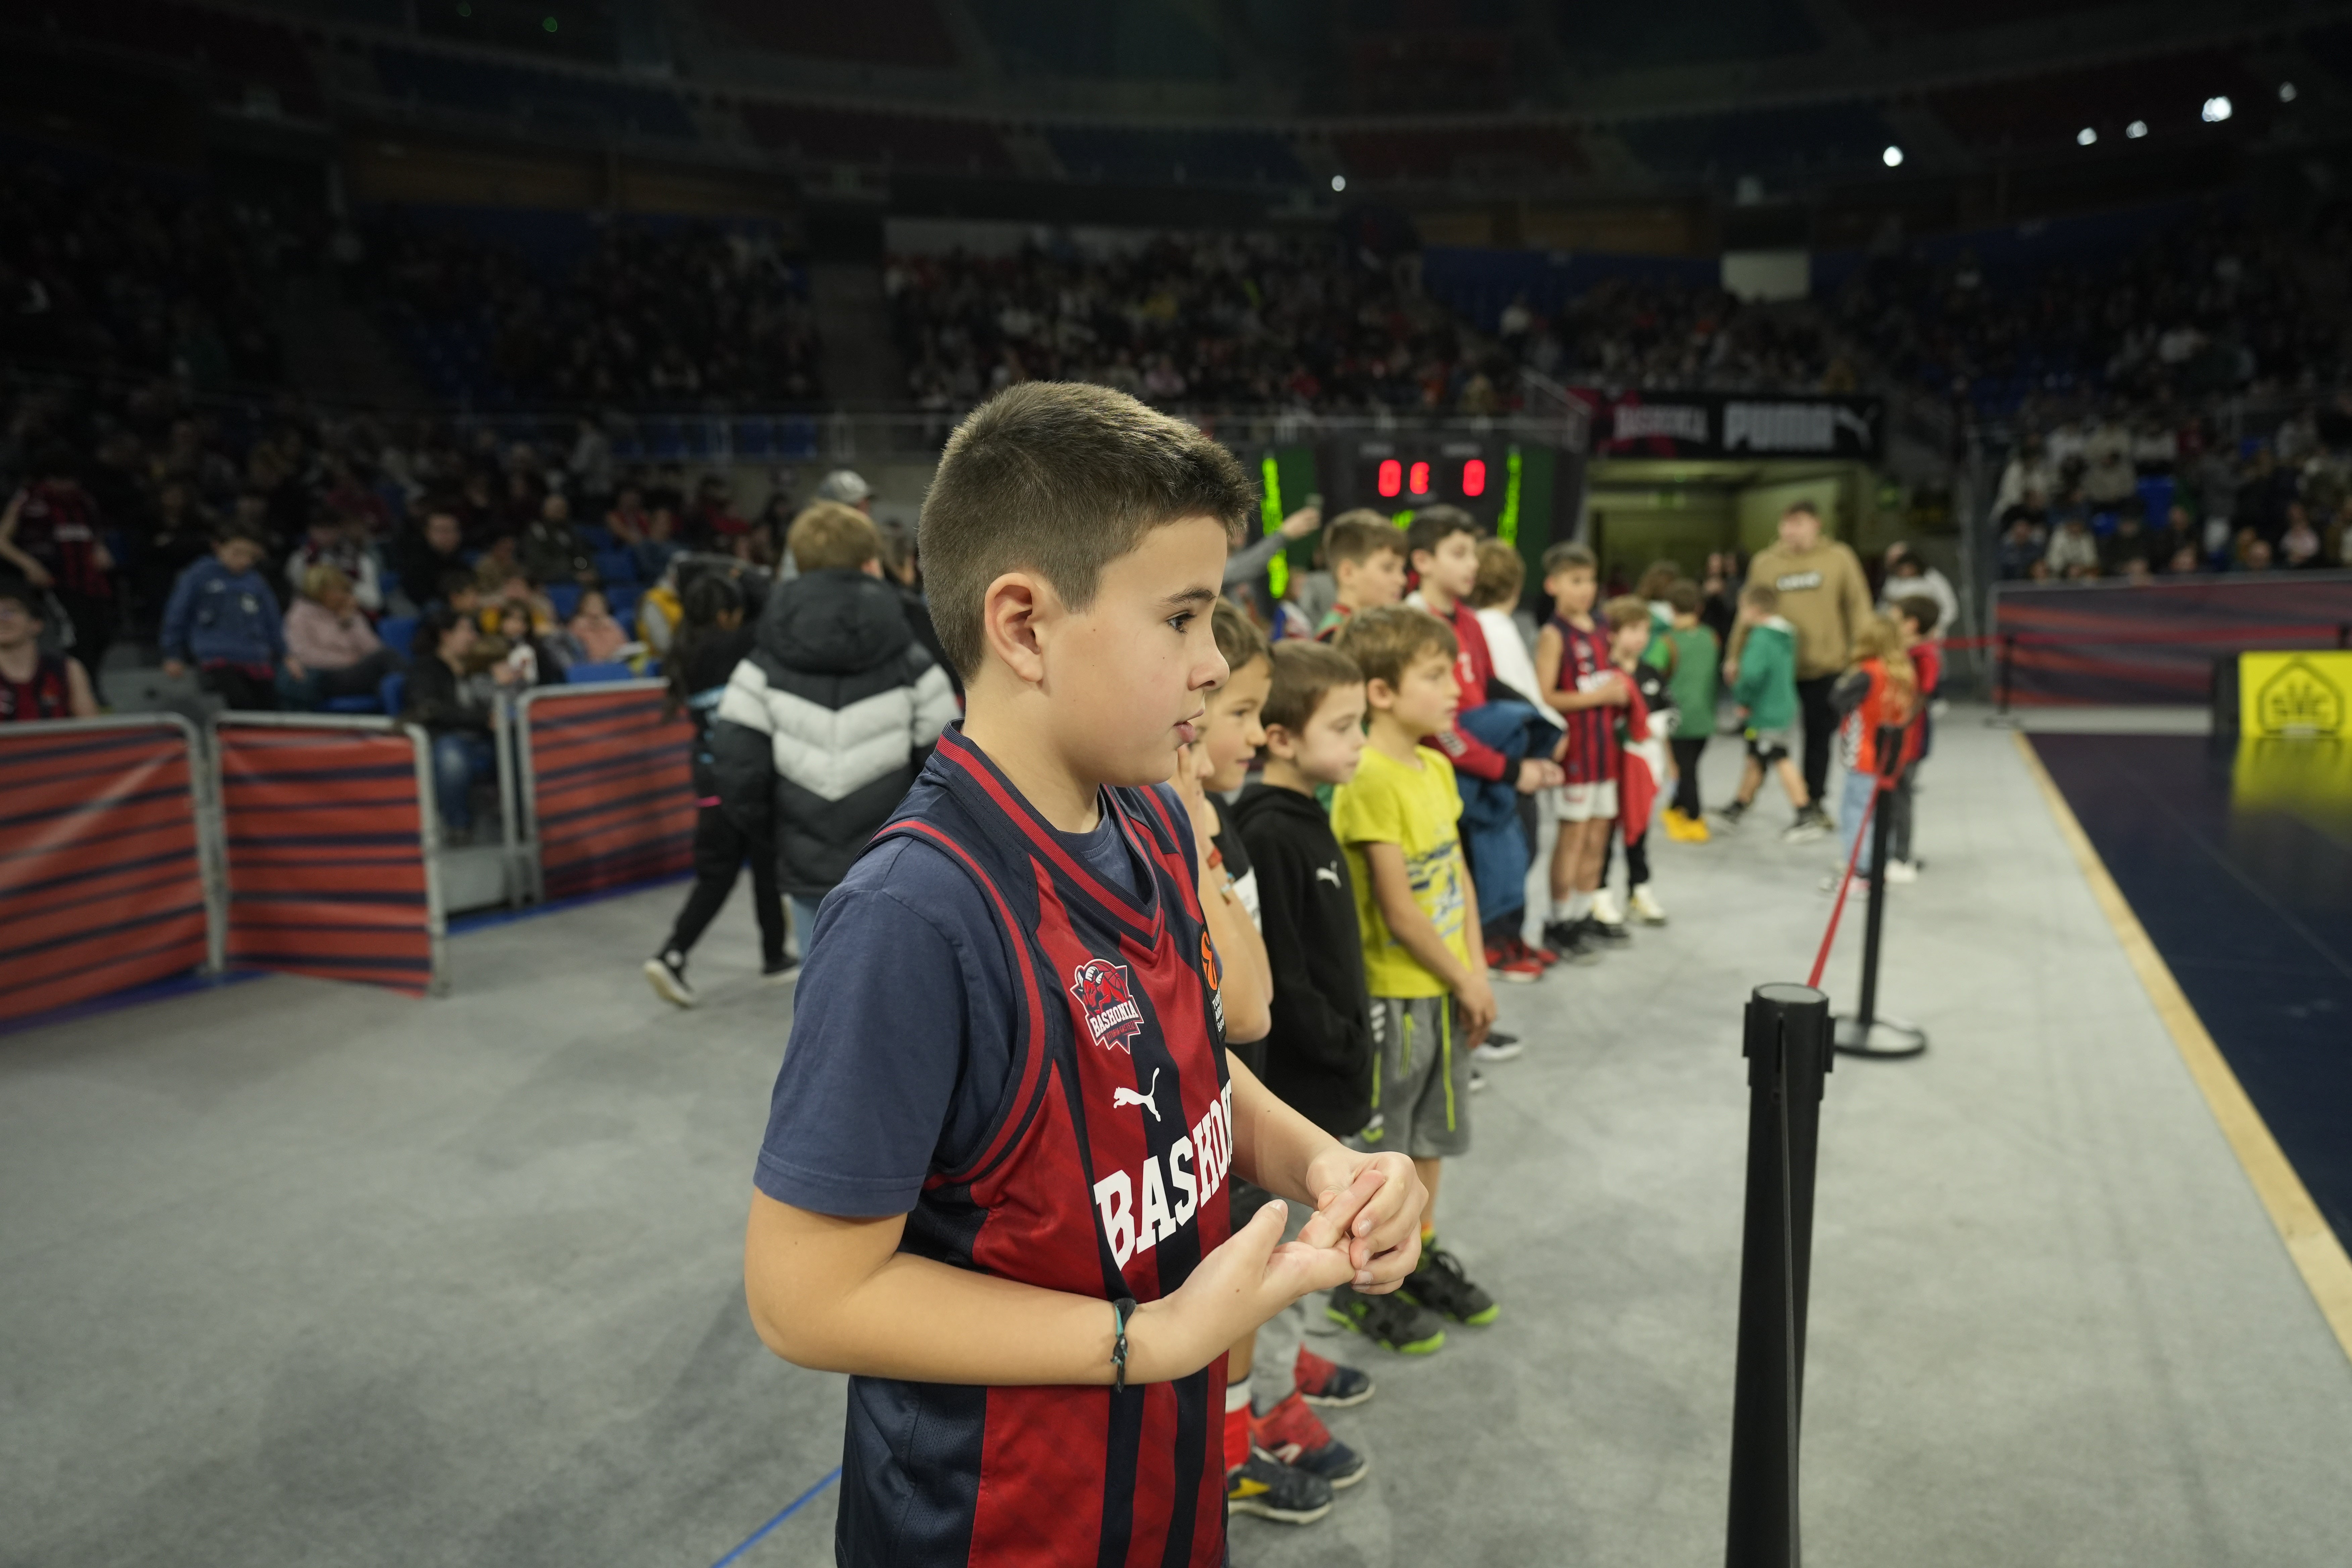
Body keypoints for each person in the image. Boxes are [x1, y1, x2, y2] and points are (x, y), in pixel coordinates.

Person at [740, 383, 1427, 1568]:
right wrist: (1147, 1340)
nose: (1215, 665)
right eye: (1181, 619)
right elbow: (801, 1298)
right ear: (1022, 627)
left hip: (1159, 1485)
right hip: (989, 1522)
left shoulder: (1155, 826)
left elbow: (1197, 1075)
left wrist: (1323, 1161)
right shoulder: (915, 915)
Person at [1187, 601, 1365, 1521]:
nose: (1252, 733)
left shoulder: (1220, 822)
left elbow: (1246, 991)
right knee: (1236, 1290)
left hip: (1246, 1100)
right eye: (1238, 711)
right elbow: (1255, 999)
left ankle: (1250, 1414)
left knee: (1266, 1279)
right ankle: (1229, 1449)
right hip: (1219, 1113)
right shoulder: (1185, 822)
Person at [1236, 639, 1441, 1369]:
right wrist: (1345, 1043)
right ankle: (1265, 1396)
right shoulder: (1268, 830)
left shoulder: (1310, 813)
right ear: (1282, 737)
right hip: (1302, 1087)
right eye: (1344, 727)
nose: (1360, 743)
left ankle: (1286, 1368)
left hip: (1335, 1078)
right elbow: (1284, 980)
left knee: (1318, 1238)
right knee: (1291, 1243)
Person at [1328, 604, 1497, 1337]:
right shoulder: (1367, 778)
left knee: (1431, 1133)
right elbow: (1399, 911)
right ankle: (1363, 1277)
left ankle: (1417, 1252)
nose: (1456, 687)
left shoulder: (1433, 764)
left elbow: (1456, 874)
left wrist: (1477, 969)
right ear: (1382, 692)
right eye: (1437, 674)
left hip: (1447, 986)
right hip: (1396, 997)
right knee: (1384, 1147)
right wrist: (1463, 978)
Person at [708, 500, 960, 953]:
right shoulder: (915, 660)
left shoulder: (758, 666)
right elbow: (948, 768)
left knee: (822, 1000)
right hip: (900, 864)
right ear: (870, 564)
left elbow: (734, 769)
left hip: (806, 867)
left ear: (798, 566)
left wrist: (785, 836)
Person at [1404, 508, 1561, 983]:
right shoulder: (1414, 621)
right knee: (1470, 870)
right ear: (1424, 561)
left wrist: (1540, 737)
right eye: (1459, 553)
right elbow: (1440, 729)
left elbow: (1490, 686)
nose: (1472, 564)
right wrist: (1511, 771)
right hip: (1450, 762)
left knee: (1524, 840)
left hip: (1484, 753)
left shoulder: (1470, 621)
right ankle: (1482, 956)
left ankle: (1503, 937)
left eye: (1473, 552)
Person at [643, 576, 788, 1007]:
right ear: (726, 615)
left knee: (734, 870)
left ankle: (771, 954)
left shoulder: (685, 651)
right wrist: (749, 580)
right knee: (754, 867)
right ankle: (675, 954)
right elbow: (771, 611)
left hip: (708, 779)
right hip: (741, 779)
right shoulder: (732, 645)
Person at [1726, 501, 1870, 817]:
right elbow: (1748, 612)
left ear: (1816, 524)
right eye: (1786, 524)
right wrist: (1734, 655)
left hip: (1825, 665)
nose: (1791, 531)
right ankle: (1744, 799)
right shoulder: (1767, 563)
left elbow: (1859, 608)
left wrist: (1864, 657)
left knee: (1819, 738)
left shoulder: (1838, 559)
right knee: (1762, 735)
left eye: (1799, 523)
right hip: (1778, 670)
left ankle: (1813, 802)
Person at [1533, 542, 1626, 960]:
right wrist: (1600, 696)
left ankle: (1583, 911)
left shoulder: (1602, 626)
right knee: (1572, 837)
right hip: (1577, 754)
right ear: (1554, 585)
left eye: (1590, 580)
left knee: (1598, 836)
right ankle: (1558, 921)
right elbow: (1545, 696)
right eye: (1576, 581)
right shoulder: (1554, 635)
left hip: (1606, 750)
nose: (1585, 589)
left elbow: (1610, 680)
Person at [0, 452, 115, 703]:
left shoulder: (84, 501)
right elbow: (2, 540)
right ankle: (86, 696)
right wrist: (29, 565)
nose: (66, 486)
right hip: (55, 582)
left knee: (103, 633)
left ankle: (90, 691)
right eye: (60, 480)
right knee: (77, 638)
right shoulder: (29, 499)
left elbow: (95, 534)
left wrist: (100, 549)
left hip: (90, 582)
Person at [402, 605, 516, 842]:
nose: (474, 637)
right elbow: (431, 710)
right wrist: (483, 719)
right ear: (446, 635)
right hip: (445, 739)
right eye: (467, 631)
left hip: (484, 738)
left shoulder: (479, 667)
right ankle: (458, 826)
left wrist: (502, 687)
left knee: (519, 745)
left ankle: (521, 820)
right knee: (451, 757)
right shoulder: (425, 669)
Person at [1716, 583, 1821, 838]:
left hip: (1766, 710)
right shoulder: (1786, 635)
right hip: (1781, 705)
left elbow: (1752, 676)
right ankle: (1738, 806)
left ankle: (1805, 812)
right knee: (1756, 756)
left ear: (1754, 610)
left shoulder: (1761, 638)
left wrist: (1740, 694)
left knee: (1778, 755)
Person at [1823, 616, 1917, 891]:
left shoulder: (1867, 672)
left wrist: (1844, 678)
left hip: (1864, 755)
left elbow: (1837, 701)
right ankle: (1877, 863)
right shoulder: (1902, 672)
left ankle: (1862, 872)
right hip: (1891, 755)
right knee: (1878, 814)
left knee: (1855, 813)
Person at [161, 523, 299, 711]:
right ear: (218, 547)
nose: (245, 561)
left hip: (255, 657)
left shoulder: (256, 582)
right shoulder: (198, 576)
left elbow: (272, 620)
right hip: (215, 656)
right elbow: (177, 615)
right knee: (240, 703)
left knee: (270, 708)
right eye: (237, 553)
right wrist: (173, 654)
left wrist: (286, 655)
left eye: (250, 555)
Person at [1598, 595, 1671, 927]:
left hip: (1643, 766)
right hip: (1609, 765)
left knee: (1639, 829)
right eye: (1632, 629)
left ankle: (1639, 888)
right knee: (1603, 831)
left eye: (1645, 630)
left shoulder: (1651, 672)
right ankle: (1598, 893)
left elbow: (1669, 711)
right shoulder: (1604, 673)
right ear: (1612, 633)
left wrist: (1659, 728)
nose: (1640, 637)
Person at [282, 565, 402, 707]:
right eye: (338, 590)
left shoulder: (349, 613)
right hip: (326, 676)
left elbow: (373, 649)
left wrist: (350, 621)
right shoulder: (299, 616)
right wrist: (347, 660)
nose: (343, 595)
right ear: (320, 591)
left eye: (345, 590)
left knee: (387, 667)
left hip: (356, 671)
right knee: (387, 658)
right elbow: (304, 655)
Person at [1884, 596, 1942, 884]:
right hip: (1896, 737)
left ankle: (1902, 856)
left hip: (1910, 740)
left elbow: (1922, 694)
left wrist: (1901, 726)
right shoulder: (1902, 651)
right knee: (1891, 795)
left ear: (1911, 624)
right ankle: (1889, 850)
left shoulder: (1924, 655)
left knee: (1902, 795)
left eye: (1896, 618)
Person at [1659, 581, 1719, 841]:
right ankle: (1676, 806)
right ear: (1700, 608)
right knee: (1690, 765)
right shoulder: (1711, 637)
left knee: (1684, 771)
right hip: (1705, 717)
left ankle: (1694, 818)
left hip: (1677, 719)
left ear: (1671, 609)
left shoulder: (1666, 642)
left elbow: (1653, 675)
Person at [0, 580, 98, 720]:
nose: (2, 620)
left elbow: (92, 728)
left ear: (36, 624)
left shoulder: (67, 669)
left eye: (10, 612)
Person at [1313, 510, 1407, 640]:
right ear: (1348, 573)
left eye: (1402, 570)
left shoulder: (1375, 628)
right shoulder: (1335, 639)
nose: (1402, 580)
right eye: (1388, 569)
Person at [396, 508, 468, 610]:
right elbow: (421, 597)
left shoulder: (460, 559)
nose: (450, 536)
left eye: (454, 530)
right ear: (427, 532)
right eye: (444, 531)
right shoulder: (416, 560)